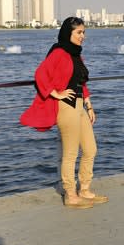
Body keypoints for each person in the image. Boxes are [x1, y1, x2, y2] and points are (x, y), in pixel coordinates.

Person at [20, 17, 108, 209]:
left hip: (80, 106)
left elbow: (80, 82)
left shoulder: (76, 54)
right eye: (79, 32)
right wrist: (56, 94)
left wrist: (89, 104)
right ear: (68, 33)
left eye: (84, 32)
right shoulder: (59, 52)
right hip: (66, 107)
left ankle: (84, 190)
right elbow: (40, 74)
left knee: (90, 149)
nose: (83, 36)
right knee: (70, 153)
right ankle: (71, 195)